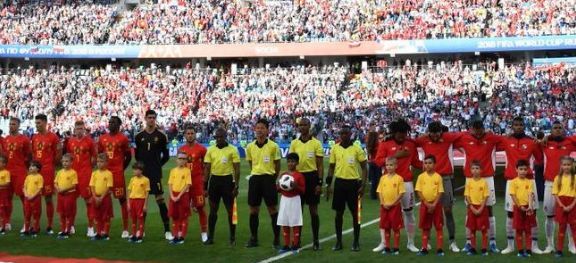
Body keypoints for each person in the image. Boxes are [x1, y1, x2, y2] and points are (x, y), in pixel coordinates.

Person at [374, 119, 422, 252]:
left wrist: (431, 165)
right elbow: (378, 161)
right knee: (386, 213)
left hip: (406, 183)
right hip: (388, 182)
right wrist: (396, 156)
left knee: (409, 213)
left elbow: (416, 162)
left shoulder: (411, 144)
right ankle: (384, 242)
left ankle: (410, 242)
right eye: (399, 133)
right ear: (394, 132)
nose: (402, 136)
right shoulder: (385, 144)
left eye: (404, 133)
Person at [455, 119, 502, 252]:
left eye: (480, 128)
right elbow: (449, 140)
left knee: (489, 209)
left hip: (487, 178)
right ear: (471, 129)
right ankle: (469, 242)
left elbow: (506, 139)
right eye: (475, 129)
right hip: (470, 178)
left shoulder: (491, 137)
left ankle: (492, 241)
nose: (478, 131)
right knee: (469, 209)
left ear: (483, 128)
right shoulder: (464, 138)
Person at [498, 117, 544, 254]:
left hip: (529, 181)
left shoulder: (531, 141)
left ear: (524, 126)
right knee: (510, 213)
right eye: (516, 125)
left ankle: (534, 246)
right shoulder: (506, 140)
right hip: (512, 181)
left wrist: (542, 141)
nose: (518, 127)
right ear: (512, 126)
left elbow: (540, 159)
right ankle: (510, 245)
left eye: (520, 125)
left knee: (532, 212)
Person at [415, 121, 462, 252]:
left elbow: (464, 135)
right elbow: (410, 142)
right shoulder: (423, 139)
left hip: (445, 177)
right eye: (432, 134)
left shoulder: (447, 137)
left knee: (447, 210)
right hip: (428, 178)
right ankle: (427, 241)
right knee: (429, 210)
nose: (435, 136)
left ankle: (452, 241)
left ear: (441, 132)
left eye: (437, 134)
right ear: (428, 132)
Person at [325, 125, 368, 251]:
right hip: (339, 183)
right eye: (342, 133)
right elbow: (331, 167)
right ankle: (338, 242)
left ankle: (356, 242)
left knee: (356, 214)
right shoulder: (335, 149)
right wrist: (328, 184)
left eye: (346, 133)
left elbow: (365, 167)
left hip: (353, 184)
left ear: (351, 134)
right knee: (339, 213)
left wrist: (363, 185)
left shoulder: (357, 149)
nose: (344, 135)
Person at [135, 110, 172, 240]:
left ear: (155, 119)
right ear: (145, 118)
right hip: (143, 174)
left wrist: (157, 166)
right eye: (149, 117)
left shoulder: (161, 136)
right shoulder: (139, 136)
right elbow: (137, 156)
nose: (151, 119)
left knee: (160, 199)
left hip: (155, 173)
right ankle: (141, 230)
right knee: (140, 201)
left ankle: (167, 230)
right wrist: (141, 169)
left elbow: (166, 156)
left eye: (153, 117)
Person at [245, 119, 281, 248]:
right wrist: (257, 172)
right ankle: (254, 238)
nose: (259, 130)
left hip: (268, 179)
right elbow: (250, 163)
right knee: (253, 210)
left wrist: (272, 178)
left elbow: (277, 164)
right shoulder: (250, 147)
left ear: (267, 130)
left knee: (272, 209)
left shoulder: (273, 146)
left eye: (262, 128)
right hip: (255, 179)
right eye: (257, 128)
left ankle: (277, 238)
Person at [288, 117, 324, 250]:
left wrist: (319, 183)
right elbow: (291, 164)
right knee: (298, 212)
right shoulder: (294, 143)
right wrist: (289, 178)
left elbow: (320, 165)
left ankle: (316, 240)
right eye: (300, 125)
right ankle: (297, 240)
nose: (302, 127)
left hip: (312, 178)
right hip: (298, 178)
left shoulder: (316, 143)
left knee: (313, 211)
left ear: (309, 126)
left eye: (305, 125)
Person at [541, 121, 576, 253]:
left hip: (567, 183)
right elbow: (536, 142)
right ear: (550, 130)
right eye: (555, 128)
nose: (557, 130)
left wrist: (566, 136)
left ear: (563, 129)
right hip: (550, 183)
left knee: (569, 217)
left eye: (560, 128)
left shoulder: (569, 142)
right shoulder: (545, 143)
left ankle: (571, 245)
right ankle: (550, 245)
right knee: (549, 216)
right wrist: (547, 137)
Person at [203, 127, 241, 245]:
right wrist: (205, 186)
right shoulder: (210, 150)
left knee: (230, 211)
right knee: (213, 210)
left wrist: (236, 186)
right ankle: (210, 237)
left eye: (221, 137)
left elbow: (237, 169)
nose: (219, 139)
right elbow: (207, 169)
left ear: (225, 137)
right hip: (214, 181)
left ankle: (232, 237)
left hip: (227, 181)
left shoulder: (232, 150)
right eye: (217, 137)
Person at [98, 116, 131, 238]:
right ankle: (103, 229)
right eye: (109, 122)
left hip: (117, 174)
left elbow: (128, 156)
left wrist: (122, 168)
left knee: (122, 199)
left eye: (113, 122)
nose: (110, 124)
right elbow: (100, 155)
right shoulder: (102, 138)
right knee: (104, 199)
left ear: (119, 125)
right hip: (105, 174)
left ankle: (125, 229)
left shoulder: (123, 138)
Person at [31, 114, 62, 234]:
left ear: (45, 123)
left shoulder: (53, 137)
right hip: (36, 172)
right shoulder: (34, 137)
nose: (37, 125)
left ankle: (49, 226)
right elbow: (33, 154)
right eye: (36, 123)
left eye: (39, 123)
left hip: (48, 171)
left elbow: (58, 155)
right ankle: (36, 225)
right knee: (35, 198)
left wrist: (50, 165)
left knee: (48, 198)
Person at [65, 120, 97, 237]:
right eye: (77, 129)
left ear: (84, 129)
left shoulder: (89, 141)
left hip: (85, 175)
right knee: (71, 202)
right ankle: (71, 226)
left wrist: (88, 168)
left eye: (81, 129)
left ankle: (90, 227)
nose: (79, 131)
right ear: (74, 129)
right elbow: (68, 156)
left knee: (88, 201)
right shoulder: (70, 141)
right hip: (73, 175)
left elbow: (94, 157)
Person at [178, 125, 208, 242]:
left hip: (197, 183)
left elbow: (206, 167)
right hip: (185, 184)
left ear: (195, 134)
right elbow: (179, 167)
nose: (190, 135)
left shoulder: (202, 149)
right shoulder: (181, 149)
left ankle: (204, 233)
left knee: (200, 207)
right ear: (185, 135)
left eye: (192, 133)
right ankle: (181, 233)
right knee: (183, 209)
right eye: (188, 133)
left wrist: (205, 183)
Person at [373, 157, 405, 255]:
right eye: (387, 165)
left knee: (396, 228)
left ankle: (396, 248)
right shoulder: (383, 178)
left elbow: (401, 193)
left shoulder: (399, 178)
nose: (389, 167)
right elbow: (379, 191)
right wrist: (382, 203)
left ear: (396, 166)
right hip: (384, 207)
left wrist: (392, 203)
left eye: (391, 165)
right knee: (386, 227)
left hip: (395, 207)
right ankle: (387, 247)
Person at [3, 117, 30, 232]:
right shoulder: (6, 139)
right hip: (7, 172)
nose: (11, 126)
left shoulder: (24, 139)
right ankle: (6, 222)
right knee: (6, 198)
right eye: (10, 124)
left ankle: (27, 223)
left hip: (20, 172)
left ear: (19, 126)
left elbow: (28, 156)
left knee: (23, 198)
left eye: (13, 124)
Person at [415, 155, 444, 256]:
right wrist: (427, 204)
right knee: (425, 227)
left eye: (430, 163)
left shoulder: (438, 177)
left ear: (434, 164)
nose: (427, 165)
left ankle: (440, 249)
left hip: (436, 206)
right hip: (425, 205)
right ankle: (424, 248)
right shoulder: (421, 177)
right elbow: (418, 191)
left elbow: (440, 192)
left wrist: (434, 204)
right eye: (425, 163)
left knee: (438, 227)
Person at [277, 153, 305, 254]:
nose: (290, 163)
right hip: (284, 200)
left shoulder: (299, 175)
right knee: (285, 222)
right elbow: (278, 189)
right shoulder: (284, 175)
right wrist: (279, 183)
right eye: (288, 161)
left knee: (295, 222)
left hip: (295, 200)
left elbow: (303, 190)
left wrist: (295, 186)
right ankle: (286, 244)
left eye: (292, 161)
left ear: (297, 163)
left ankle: (296, 244)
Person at [509, 160, 537, 257]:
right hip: (518, 208)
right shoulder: (513, 182)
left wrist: (529, 206)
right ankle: (520, 250)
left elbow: (530, 194)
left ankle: (529, 250)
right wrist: (519, 206)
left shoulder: (529, 182)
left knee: (528, 230)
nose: (523, 171)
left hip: (527, 208)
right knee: (519, 230)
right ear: (516, 169)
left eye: (525, 169)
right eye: (521, 169)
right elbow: (513, 196)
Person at [552, 156, 576, 257]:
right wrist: (562, 205)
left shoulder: (575, 178)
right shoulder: (557, 178)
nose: (566, 167)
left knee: (574, 227)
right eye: (564, 165)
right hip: (561, 204)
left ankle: (573, 246)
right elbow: (555, 194)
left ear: (572, 165)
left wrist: (571, 206)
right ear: (561, 166)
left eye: (568, 165)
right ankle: (559, 250)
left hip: (573, 205)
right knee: (561, 228)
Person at [464, 160, 490, 256]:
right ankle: (473, 248)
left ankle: (484, 249)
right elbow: (467, 196)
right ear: (470, 170)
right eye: (473, 168)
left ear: (481, 170)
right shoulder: (469, 182)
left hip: (482, 208)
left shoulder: (484, 182)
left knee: (483, 230)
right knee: (472, 229)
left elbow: (486, 197)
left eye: (477, 168)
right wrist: (472, 207)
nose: (475, 170)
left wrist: (480, 209)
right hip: (472, 208)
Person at [168, 152, 192, 245]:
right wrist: (172, 195)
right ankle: (175, 235)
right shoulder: (173, 171)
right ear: (176, 160)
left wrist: (178, 196)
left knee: (183, 216)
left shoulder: (187, 171)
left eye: (184, 159)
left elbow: (188, 184)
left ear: (186, 161)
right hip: (173, 195)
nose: (181, 160)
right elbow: (170, 183)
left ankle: (181, 236)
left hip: (183, 196)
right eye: (180, 158)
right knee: (174, 216)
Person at [90, 153, 114, 241]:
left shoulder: (109, 174)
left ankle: (106, 233)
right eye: (98, 162)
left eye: (101, 162)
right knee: (97, 216)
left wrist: (101, 198)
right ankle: (99, 232)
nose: (99, 163)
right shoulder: (94, 173)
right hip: (96, 197)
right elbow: (92, 185)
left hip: (105, 198)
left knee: (106, 216)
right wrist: (95, 197)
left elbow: (109, 187)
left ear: (106, 162)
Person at [54, 154, 78, 239]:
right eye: (63, 161)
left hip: (69, 195)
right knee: (62, 213)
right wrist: (58, 189)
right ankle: (63, 230)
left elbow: (74, 185)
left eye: (67, 161)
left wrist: (64, 189)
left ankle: (68, 230)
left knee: (68, 213)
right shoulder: (59, 172)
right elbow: (55, 183)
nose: (65, 163)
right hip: (61, 195)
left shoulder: (73, 172)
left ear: (71, 162)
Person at [127, 161, 150, 244]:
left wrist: (145, 205)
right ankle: (133, 235)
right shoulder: (132, 179)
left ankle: (139, 236)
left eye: (136, 170)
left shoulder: (146, 180)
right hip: (132, 200)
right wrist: (128, 203)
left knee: (140, 219)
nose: (134, 171)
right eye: (134, 170)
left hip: (140, 201)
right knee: (133, 218)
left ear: (141, 170)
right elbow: (129, 190)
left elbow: (147, 193)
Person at [22, 160, 43, 237]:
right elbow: (24, 187)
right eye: (30, 166)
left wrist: (33, 196)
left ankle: (35, 230)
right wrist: (26, 194)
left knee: (35, 215)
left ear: (38, 169)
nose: (30, 167)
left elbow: (39, 189)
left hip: (35, 199)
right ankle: (26, 230)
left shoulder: (39, 177)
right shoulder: (28, 177)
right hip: (27, 199)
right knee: (27, 215)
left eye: (33, 166)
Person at [0, 156, 10, 234]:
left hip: (3, 194)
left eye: (1, 162)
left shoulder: (6, 172)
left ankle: (3, 226)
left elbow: (7, 183)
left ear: (4, 164)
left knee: (2, 210)